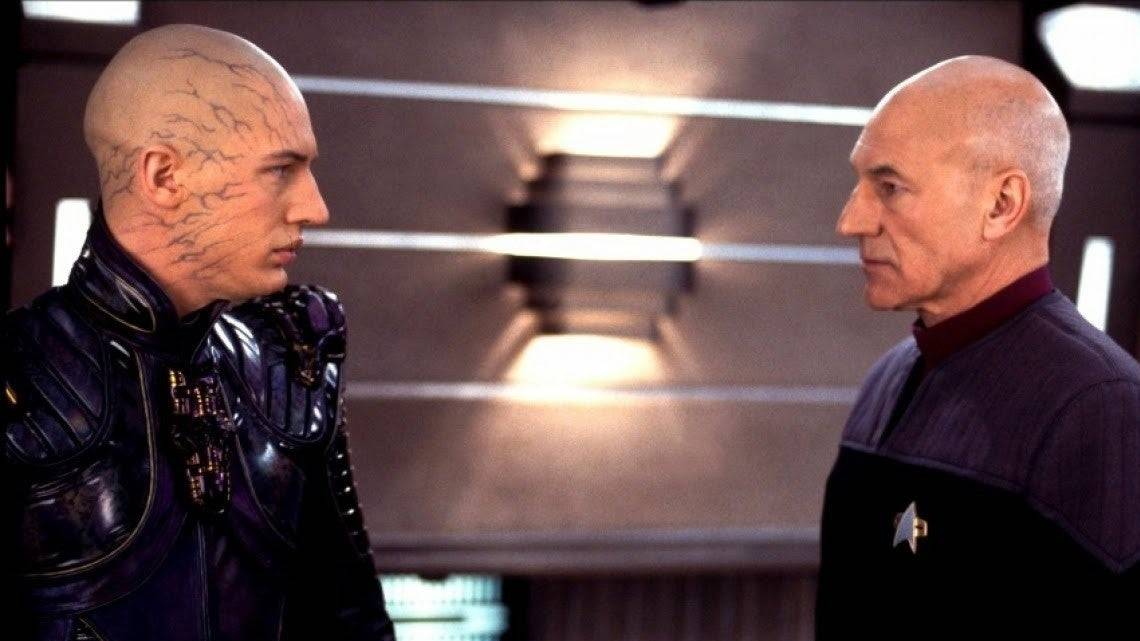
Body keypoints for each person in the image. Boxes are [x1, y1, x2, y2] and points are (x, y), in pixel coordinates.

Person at [1, 24, 395, 640]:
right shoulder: (21, 372)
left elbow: (351, 620)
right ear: (164, 177)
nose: (315, 207)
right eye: (281, 170)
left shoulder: (290, 354)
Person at [816, 56, 1139, 639]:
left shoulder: (1100, 408)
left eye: (889, 187)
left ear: (1001, 205)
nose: (851, 220)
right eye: (859, 184)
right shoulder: (886, 380)